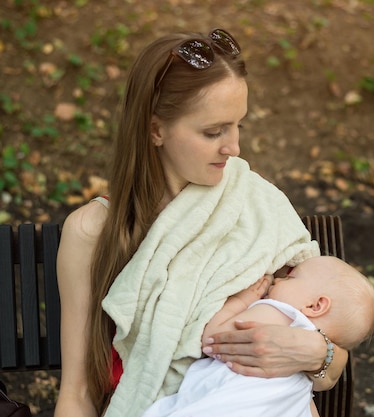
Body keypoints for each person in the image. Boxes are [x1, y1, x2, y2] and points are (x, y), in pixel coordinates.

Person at [55, 29, 349, 417]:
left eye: (238, 125)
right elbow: (77, 395)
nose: (234, 148)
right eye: (214, 132)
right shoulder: (92, 233)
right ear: (156, 129)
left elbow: (326, 354)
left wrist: (317, 352)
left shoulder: (256, 205)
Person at [141, 255, 374, 417]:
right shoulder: (304, 373)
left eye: (290, 277)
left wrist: (241, 300)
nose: (277, 279)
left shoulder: (280, 313)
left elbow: (214, 339)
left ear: (315, 306)